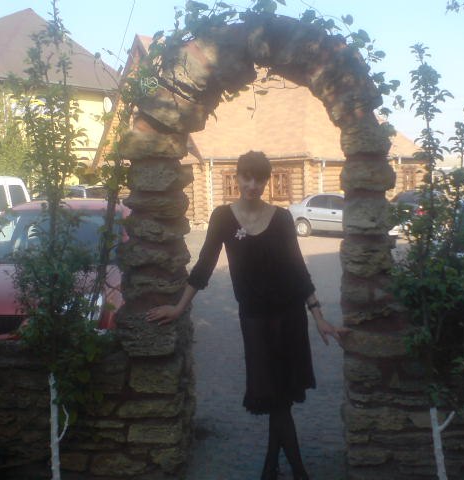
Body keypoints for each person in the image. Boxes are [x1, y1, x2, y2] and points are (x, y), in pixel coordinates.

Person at [146, 151, 348, 480]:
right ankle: (288, 469)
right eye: (247, 177)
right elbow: (204, 265)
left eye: (260, 178)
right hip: (254, 319)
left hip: (289, 317)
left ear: (267, 181)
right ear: (237, 176)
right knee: (273, 394)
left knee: (280, 398)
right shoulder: (223, 218)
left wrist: (318, 316)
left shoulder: (282, 218)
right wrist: (180, 306)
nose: (253, 185)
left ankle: (281, 469)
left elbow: (297, 268)